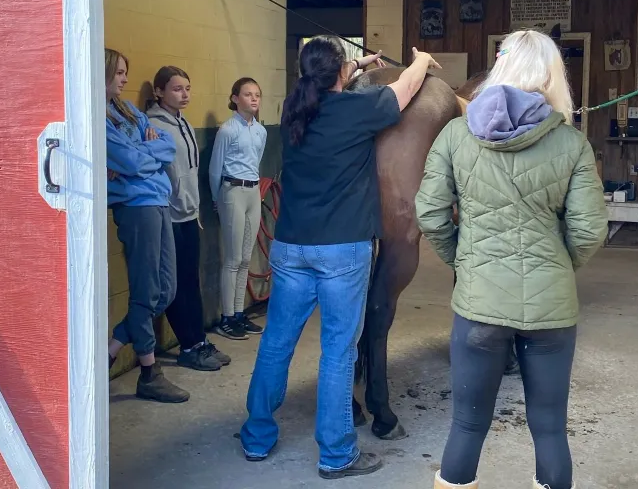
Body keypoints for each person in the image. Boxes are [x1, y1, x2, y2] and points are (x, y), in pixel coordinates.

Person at [240, 37, 441, 480]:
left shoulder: (292, 111)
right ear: (340, 77)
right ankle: (336, 454)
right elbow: (405, 88)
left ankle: (257, 437)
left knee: (276, 343)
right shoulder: (358, 110)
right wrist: (422, 60)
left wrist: (354, 64)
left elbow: (323, 80)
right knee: (337, 352)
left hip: (291, 246)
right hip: (342, 250)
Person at [414, 30, 607, 489]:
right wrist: (555, 269)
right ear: (551, 75)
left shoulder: (456, 135)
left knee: (466, 426)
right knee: (550, 427)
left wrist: (465, 262)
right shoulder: (571, 143)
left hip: (480, 304)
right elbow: (589, 229)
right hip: (551, 310)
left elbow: (430, 213)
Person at [104, 49, 189, 403]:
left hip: (157, 200)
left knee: (165, 290)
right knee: (145, 290)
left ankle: (110, 348)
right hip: (135, 206)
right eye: (120, 73)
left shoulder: (129, 111)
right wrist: (142, 152)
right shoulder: (96, 115)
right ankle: (149, 372)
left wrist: (141, 153)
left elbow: (165, 147)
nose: (124, 79)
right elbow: (129, 160)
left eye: (126, 72)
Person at [142, 66, 232, 373]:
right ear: (159, 92)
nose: (184, 95)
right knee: (176, 284)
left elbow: (189, 172)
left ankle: (198, 340)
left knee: (191, 281)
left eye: (187, 89)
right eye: (177, 89)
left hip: (189, 214)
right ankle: (189, 346)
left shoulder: (182, 123)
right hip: (169, 215)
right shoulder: (154, 125)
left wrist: (193, 208)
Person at [209, 78, 268, 341]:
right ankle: (227, 317)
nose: (254, 99)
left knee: (245, 256)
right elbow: (214, 168)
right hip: (231, 190)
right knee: (232, 259)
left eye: (257, 95)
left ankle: (239, 313)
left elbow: (257, 161)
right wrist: (216, 197)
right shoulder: (227, 130)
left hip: (253, 191)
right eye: (247, 94)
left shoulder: (261, 131)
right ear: (235, 98)